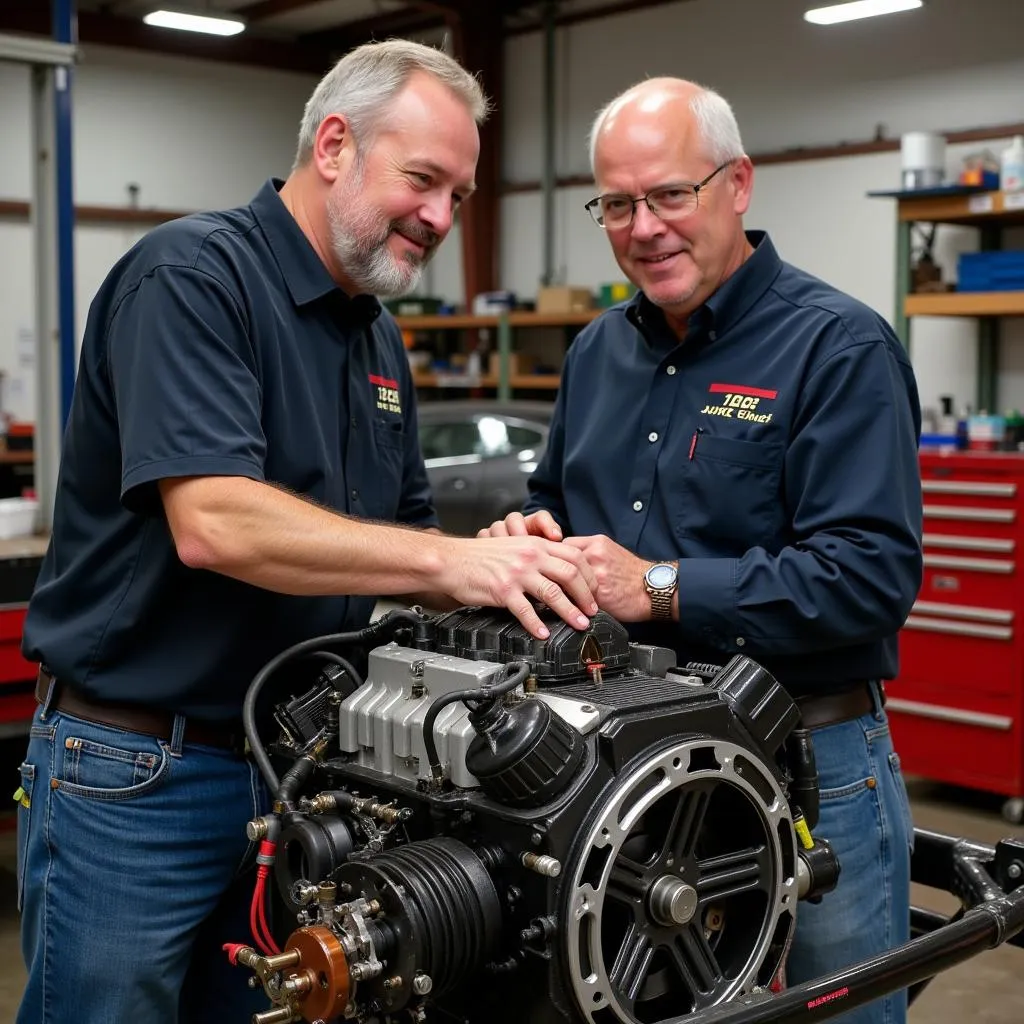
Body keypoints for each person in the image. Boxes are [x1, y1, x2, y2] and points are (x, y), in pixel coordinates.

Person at [15, 40, 599, 1024]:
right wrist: (445, 557)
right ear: (333, 144)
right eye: (424, 180)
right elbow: (215, 521)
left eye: (457, 195)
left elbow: (401, 538)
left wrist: (496, 560)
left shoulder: (373, 334)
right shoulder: (193, 279)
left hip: (292, 776)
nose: (440, 218)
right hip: (139, 774)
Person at [481, 78, 922, 1024]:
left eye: (670, 195)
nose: (644, 228)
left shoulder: (838, 347)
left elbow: (868, 579)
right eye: (617, 205)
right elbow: (555, 505)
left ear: (738, 185)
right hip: (624, 773)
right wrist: (529, 539)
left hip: (809, 765)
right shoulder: (595, 353)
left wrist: (660, 589)